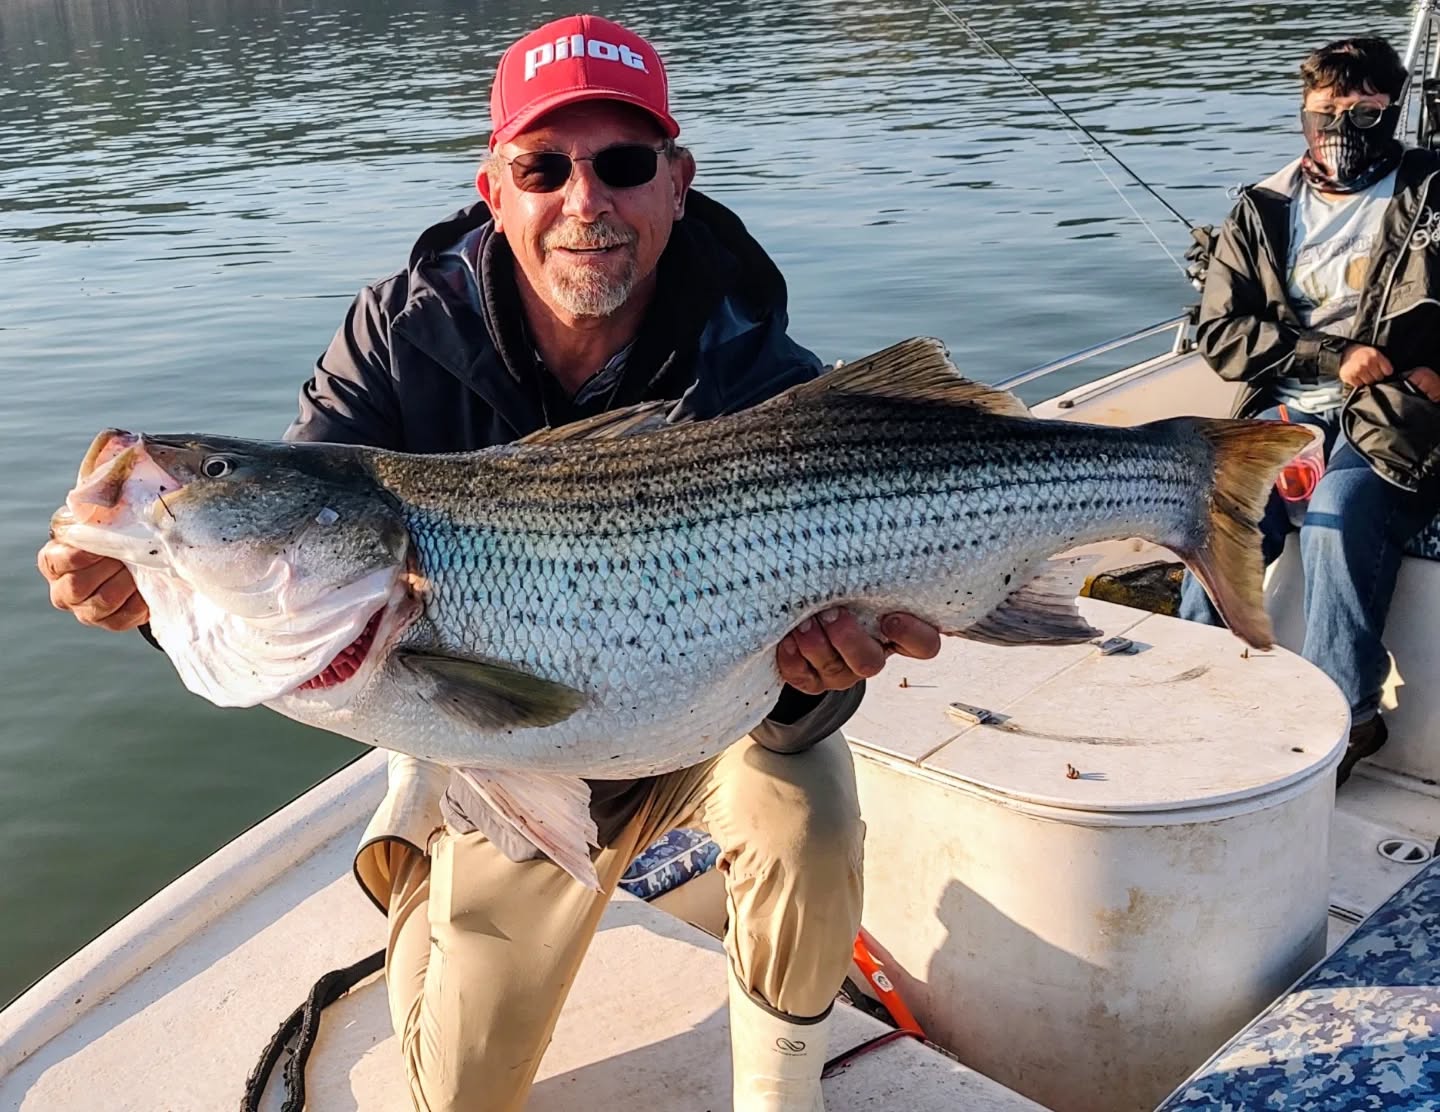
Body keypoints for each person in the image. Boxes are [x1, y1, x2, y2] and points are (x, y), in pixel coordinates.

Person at [38, 15, 942, 1111]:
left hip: (707, 716)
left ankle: (783, 1090)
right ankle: (423, 863)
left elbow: (801, 702)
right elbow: (299, 552)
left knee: (811, 814)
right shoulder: (397, 337)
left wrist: (816, 679)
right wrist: (146, 590)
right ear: (495, 185)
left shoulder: (757, 370)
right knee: (459, 1090)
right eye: (543, 166)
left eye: (621, 163)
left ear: (676, 182)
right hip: (485, 736)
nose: (585, 200)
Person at [1181, 35, 1440, 785]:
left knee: (1339, 509)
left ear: (1391, 112)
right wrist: (1330, 358)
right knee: (1219, 506)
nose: (1337, 129)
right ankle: (1194, 685)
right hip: (1286, 405)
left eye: (1360, 114)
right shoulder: (1262, 207)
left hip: (1395, 412)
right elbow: (1224, 333)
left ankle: (1344, 716)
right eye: (1324, 112)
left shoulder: (1430, 190)